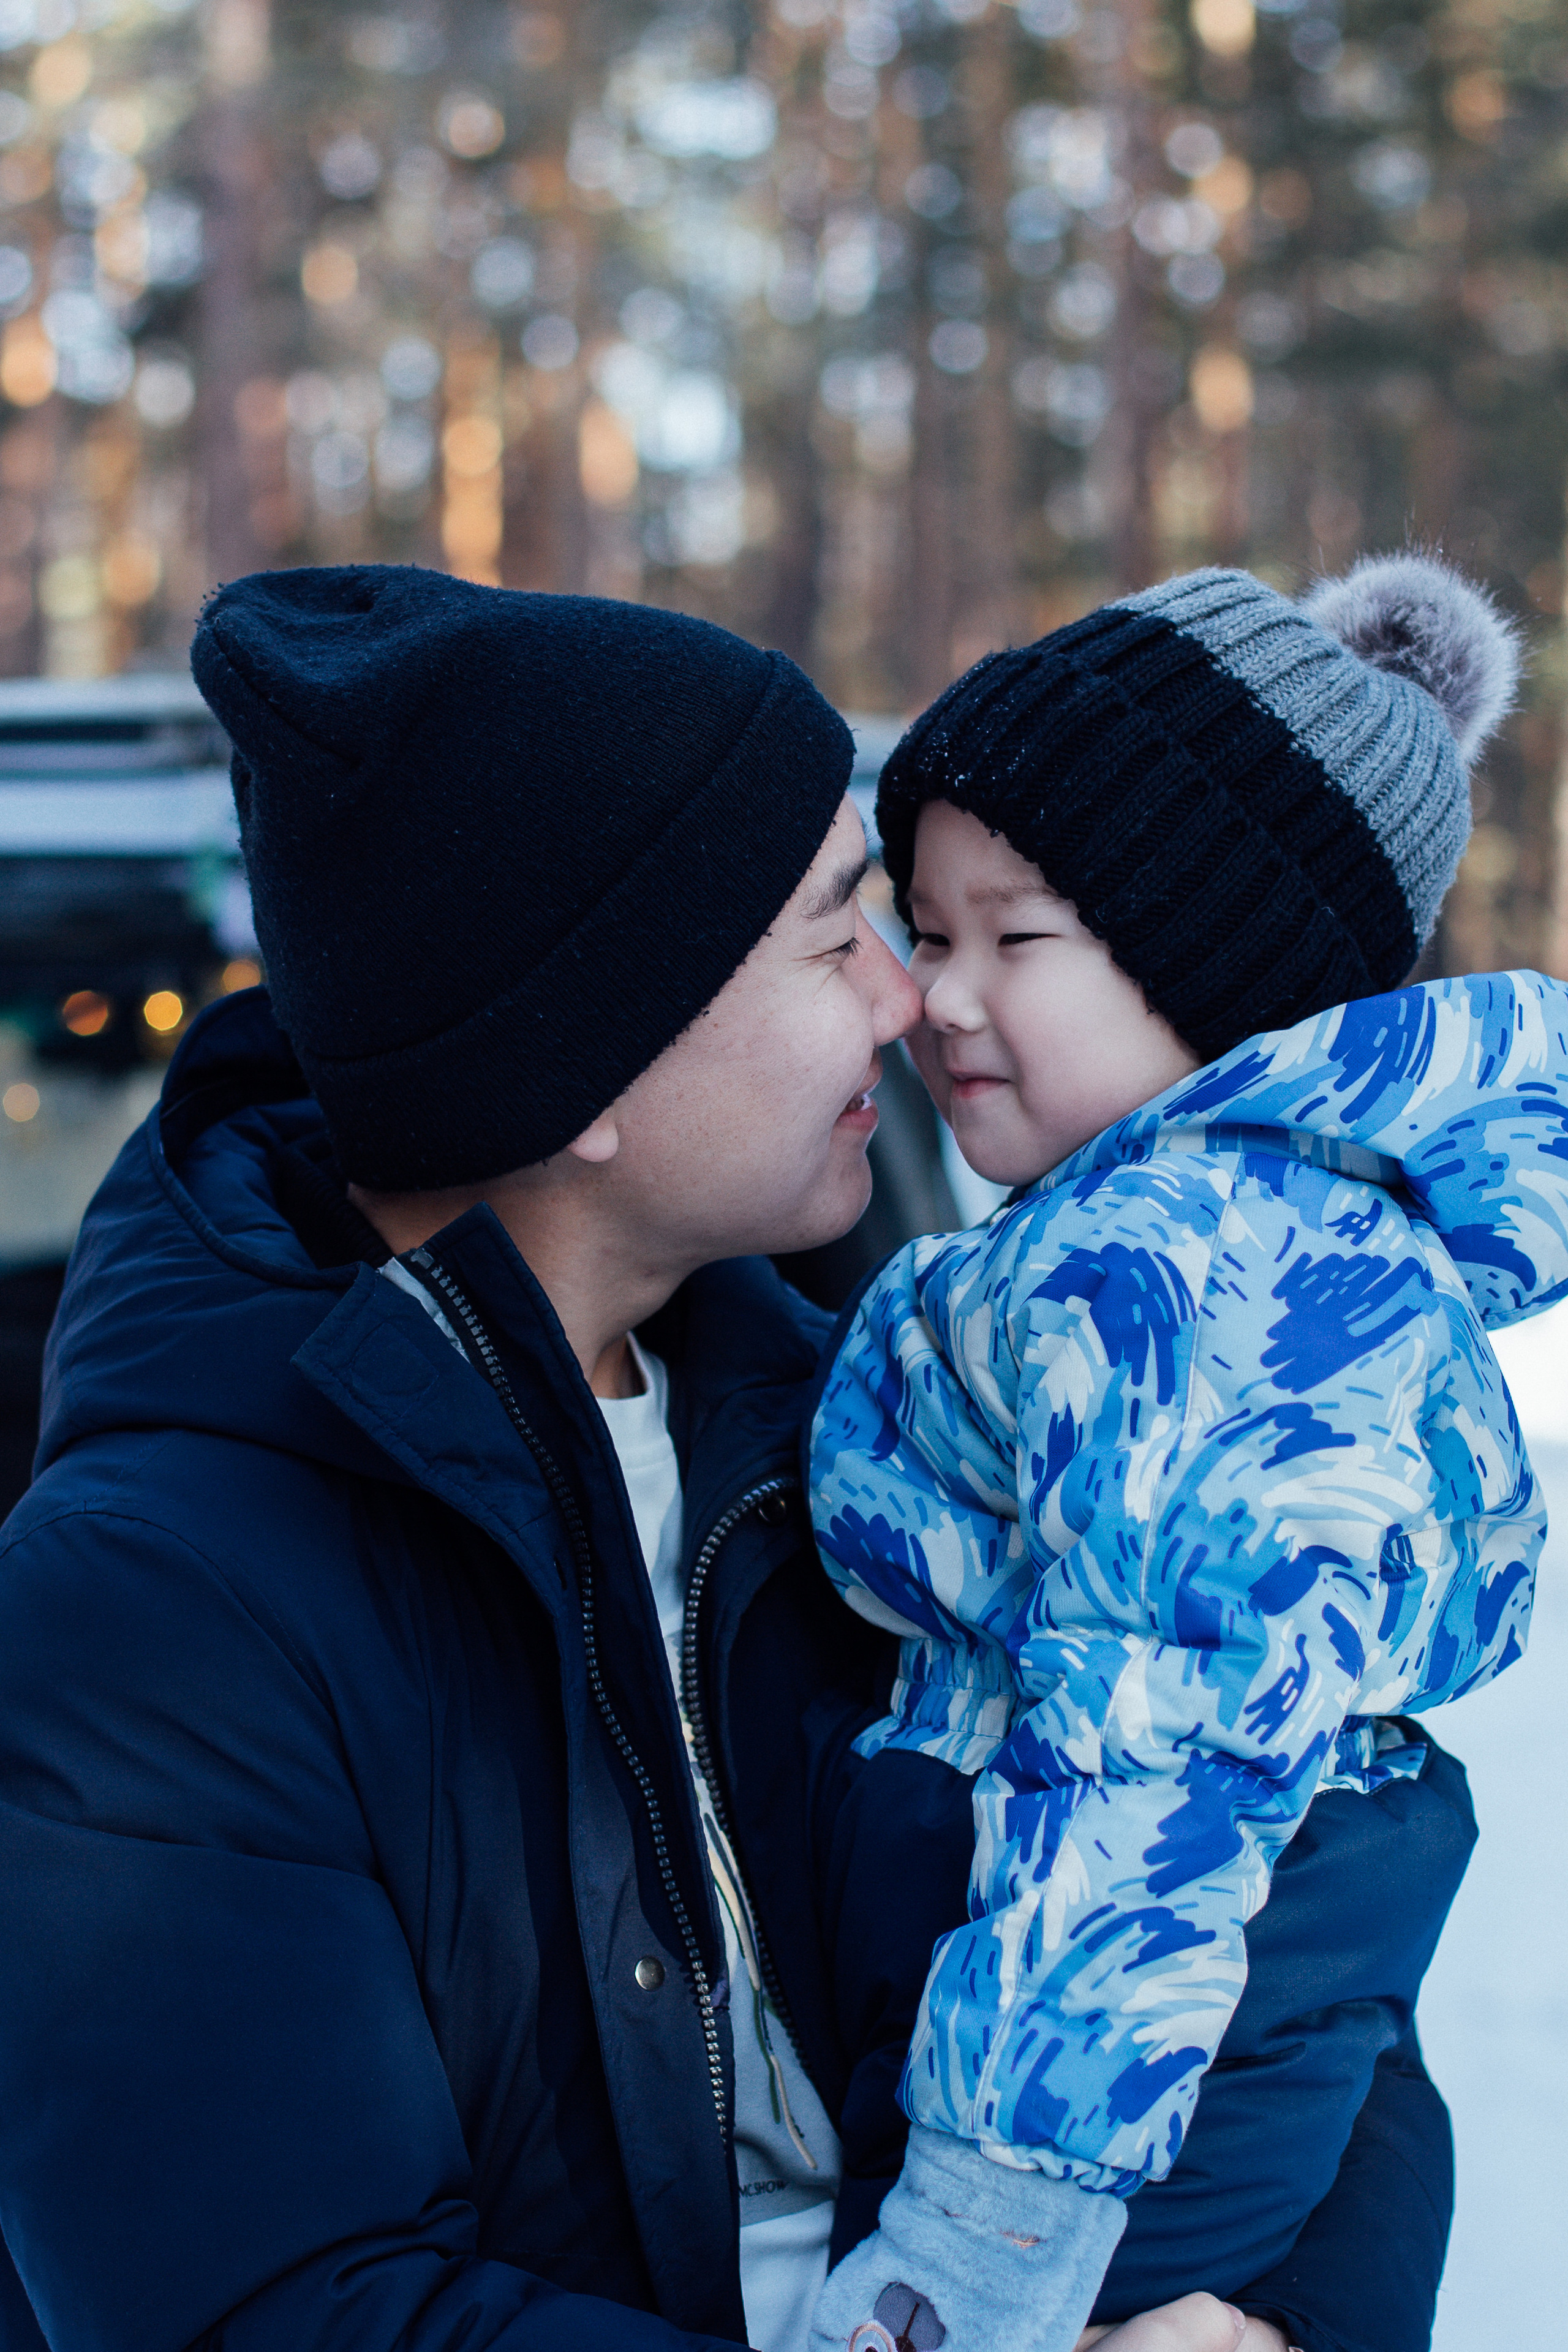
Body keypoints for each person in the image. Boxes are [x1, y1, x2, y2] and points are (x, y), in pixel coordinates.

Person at [0, 564, 1478, 2352]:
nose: (905, 1000)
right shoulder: (161, 1605)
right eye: (837, 927)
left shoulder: (874, 1444)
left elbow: (1282, 1932)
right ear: (583, 1065)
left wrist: (1271, 2324)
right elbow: (278, 2305)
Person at [809, 555, 1561, 2352]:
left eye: (1021, 937)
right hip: (1188, 2002)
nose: (941, 998)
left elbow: (1155, 1756)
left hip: (1123, 2056)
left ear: (1221, 965)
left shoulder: (1178, 1273)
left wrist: (990, 2232)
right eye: (928, 926)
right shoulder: (1213, 1229)